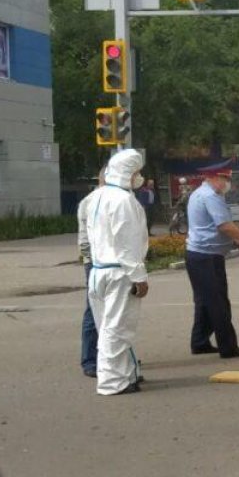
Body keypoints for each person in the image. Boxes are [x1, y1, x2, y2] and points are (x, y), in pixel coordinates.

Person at [86, 149, 150, 396]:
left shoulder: (98, 196)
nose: (139, 177)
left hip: (99, 270)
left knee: (109, 328)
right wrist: (139, 277)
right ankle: (113, 382)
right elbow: (127, 242)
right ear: (128, 173)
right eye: (137, 172)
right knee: (117, 330)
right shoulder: (124, 201)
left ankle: (125, 376)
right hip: (119, 273)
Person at [185, 169, 239, 358]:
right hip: (206, 256)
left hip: (200, 255)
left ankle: (199, 342)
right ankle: (228, 347)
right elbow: (224, 225)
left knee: (204, 301)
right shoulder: (211, 196)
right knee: (218, 303)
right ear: (213, 177)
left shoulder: (199, 193)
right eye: (225, 178)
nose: (227, 183)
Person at [76, 172, 104, 378]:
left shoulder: (116, 197)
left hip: (108, 263)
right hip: (97, 263)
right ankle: (89, 360)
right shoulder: (91, 201)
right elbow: (85, 241)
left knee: (114, 312)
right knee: (93, 310)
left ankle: (109, 355)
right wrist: (95, 260)